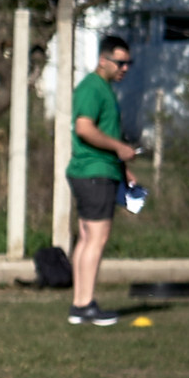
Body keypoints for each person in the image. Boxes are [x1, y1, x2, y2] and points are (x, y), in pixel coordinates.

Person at [67, 35, 142, 327]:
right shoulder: (92, 88)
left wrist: (123, 169)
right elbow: (84, 128)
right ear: (104, 60)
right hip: (93, 172)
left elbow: (102, 130)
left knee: (87, 238)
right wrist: (119, 148)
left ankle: (80, 304)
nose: (125, 68)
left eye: (129, 63)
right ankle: (85, 304)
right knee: (96, 238)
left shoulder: (105, 89)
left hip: (101, 170)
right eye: (120, 62)